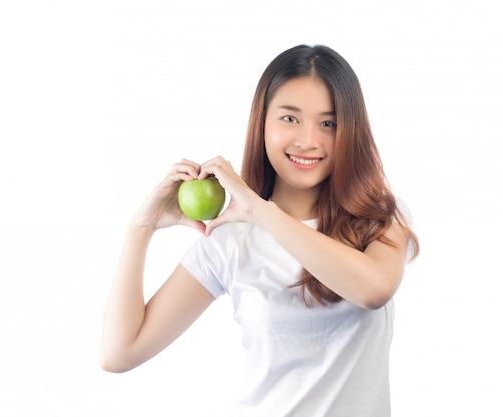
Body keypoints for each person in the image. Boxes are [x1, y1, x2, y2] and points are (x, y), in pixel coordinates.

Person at [99, 44, 419, 417]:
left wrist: (260, 212)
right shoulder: (230, 240)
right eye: (290, 118)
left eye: (328, 123)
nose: (308, 141)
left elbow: (372, 289)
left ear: (351, 130)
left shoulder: (381, 218)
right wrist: (141, 228)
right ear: (262, 122)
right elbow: (118, 353)